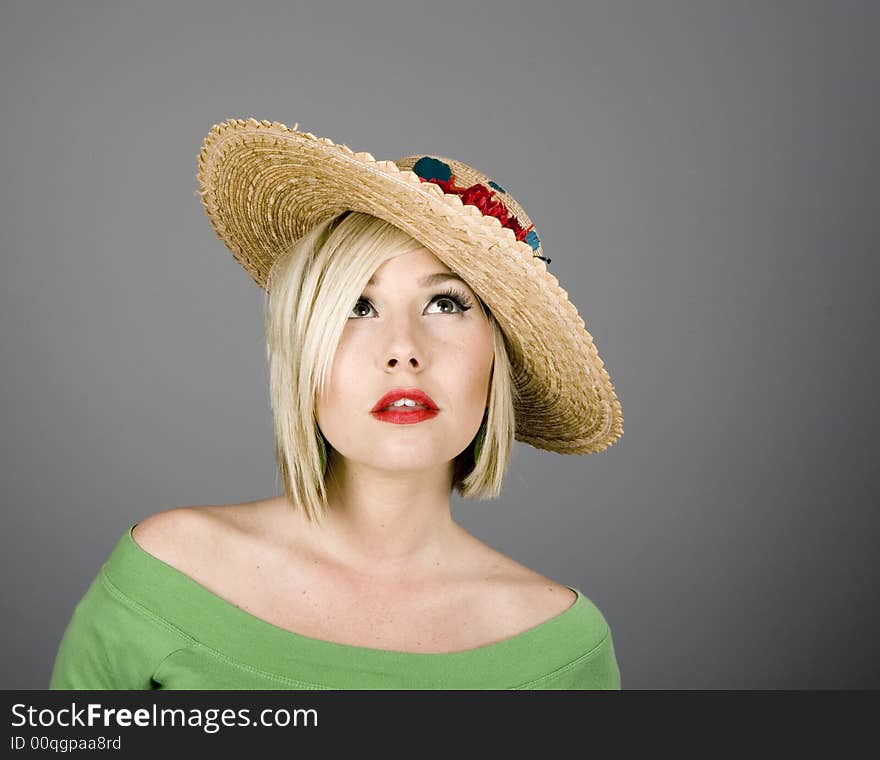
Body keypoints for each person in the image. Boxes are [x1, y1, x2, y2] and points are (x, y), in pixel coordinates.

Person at [49, 118, 624, 690]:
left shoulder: (563, 650)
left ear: (498, 357)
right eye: (358, 305)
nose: (403, 351)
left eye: (446, 304)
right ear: (306, 347)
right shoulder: (168, 575)